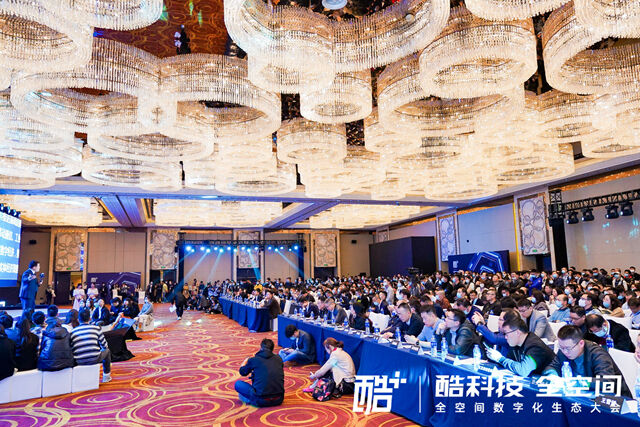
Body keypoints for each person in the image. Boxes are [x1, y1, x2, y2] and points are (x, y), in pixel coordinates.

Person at [543, 325, 631, 397]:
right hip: (582, 396)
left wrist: (581, 383)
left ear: (581, 343)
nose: (565, 352)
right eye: (561, 347)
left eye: (568, 348)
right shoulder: (563, 350)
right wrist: (552, 375)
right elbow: (552, 366)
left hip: (615, 400)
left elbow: (607, 382)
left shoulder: (597, 354)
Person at [485, 315, 555, 377]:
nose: (505, 337)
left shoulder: (535, 346)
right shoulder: (515, 343)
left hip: (548, 382)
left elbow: (523, 370)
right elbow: (510, 363)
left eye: (506, 333)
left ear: (517, 332)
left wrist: (500, 359)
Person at [235, 338, 284, 407]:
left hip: (261, 400)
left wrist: (245, 361)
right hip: (279, 399)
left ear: (261, 348)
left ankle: (251, 400)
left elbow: (242, 372)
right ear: (272, 349)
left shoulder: (254, 360)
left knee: (238, 384)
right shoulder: (279, 359)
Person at [70, 309, 112, 383]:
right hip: (95, 358)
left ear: (78, 320)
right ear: (90, 319)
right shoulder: (96, 328)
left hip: (79, 360)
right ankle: (106, 377)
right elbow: (105, 345)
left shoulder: (73, 331)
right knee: (107, 351)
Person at [38, 305, 74, 371]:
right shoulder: (64, 326)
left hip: (47, 363)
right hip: (66, 363)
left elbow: (42, 348)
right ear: (57, 314)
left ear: (47, 314)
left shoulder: (44, 329)